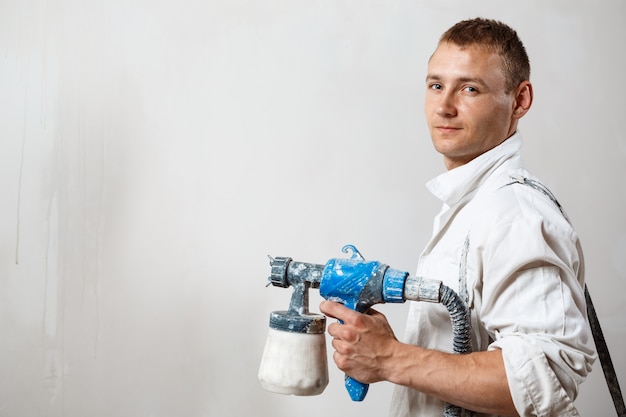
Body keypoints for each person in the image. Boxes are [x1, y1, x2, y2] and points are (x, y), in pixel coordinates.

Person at [319, 17, 597, 417]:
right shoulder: (475, 205)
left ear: (519, 101)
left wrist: (390, 358)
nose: (444, 106)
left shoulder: (513, 213)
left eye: (470, 88)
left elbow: (540, 375)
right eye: (436, 86)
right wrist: (386, 352)